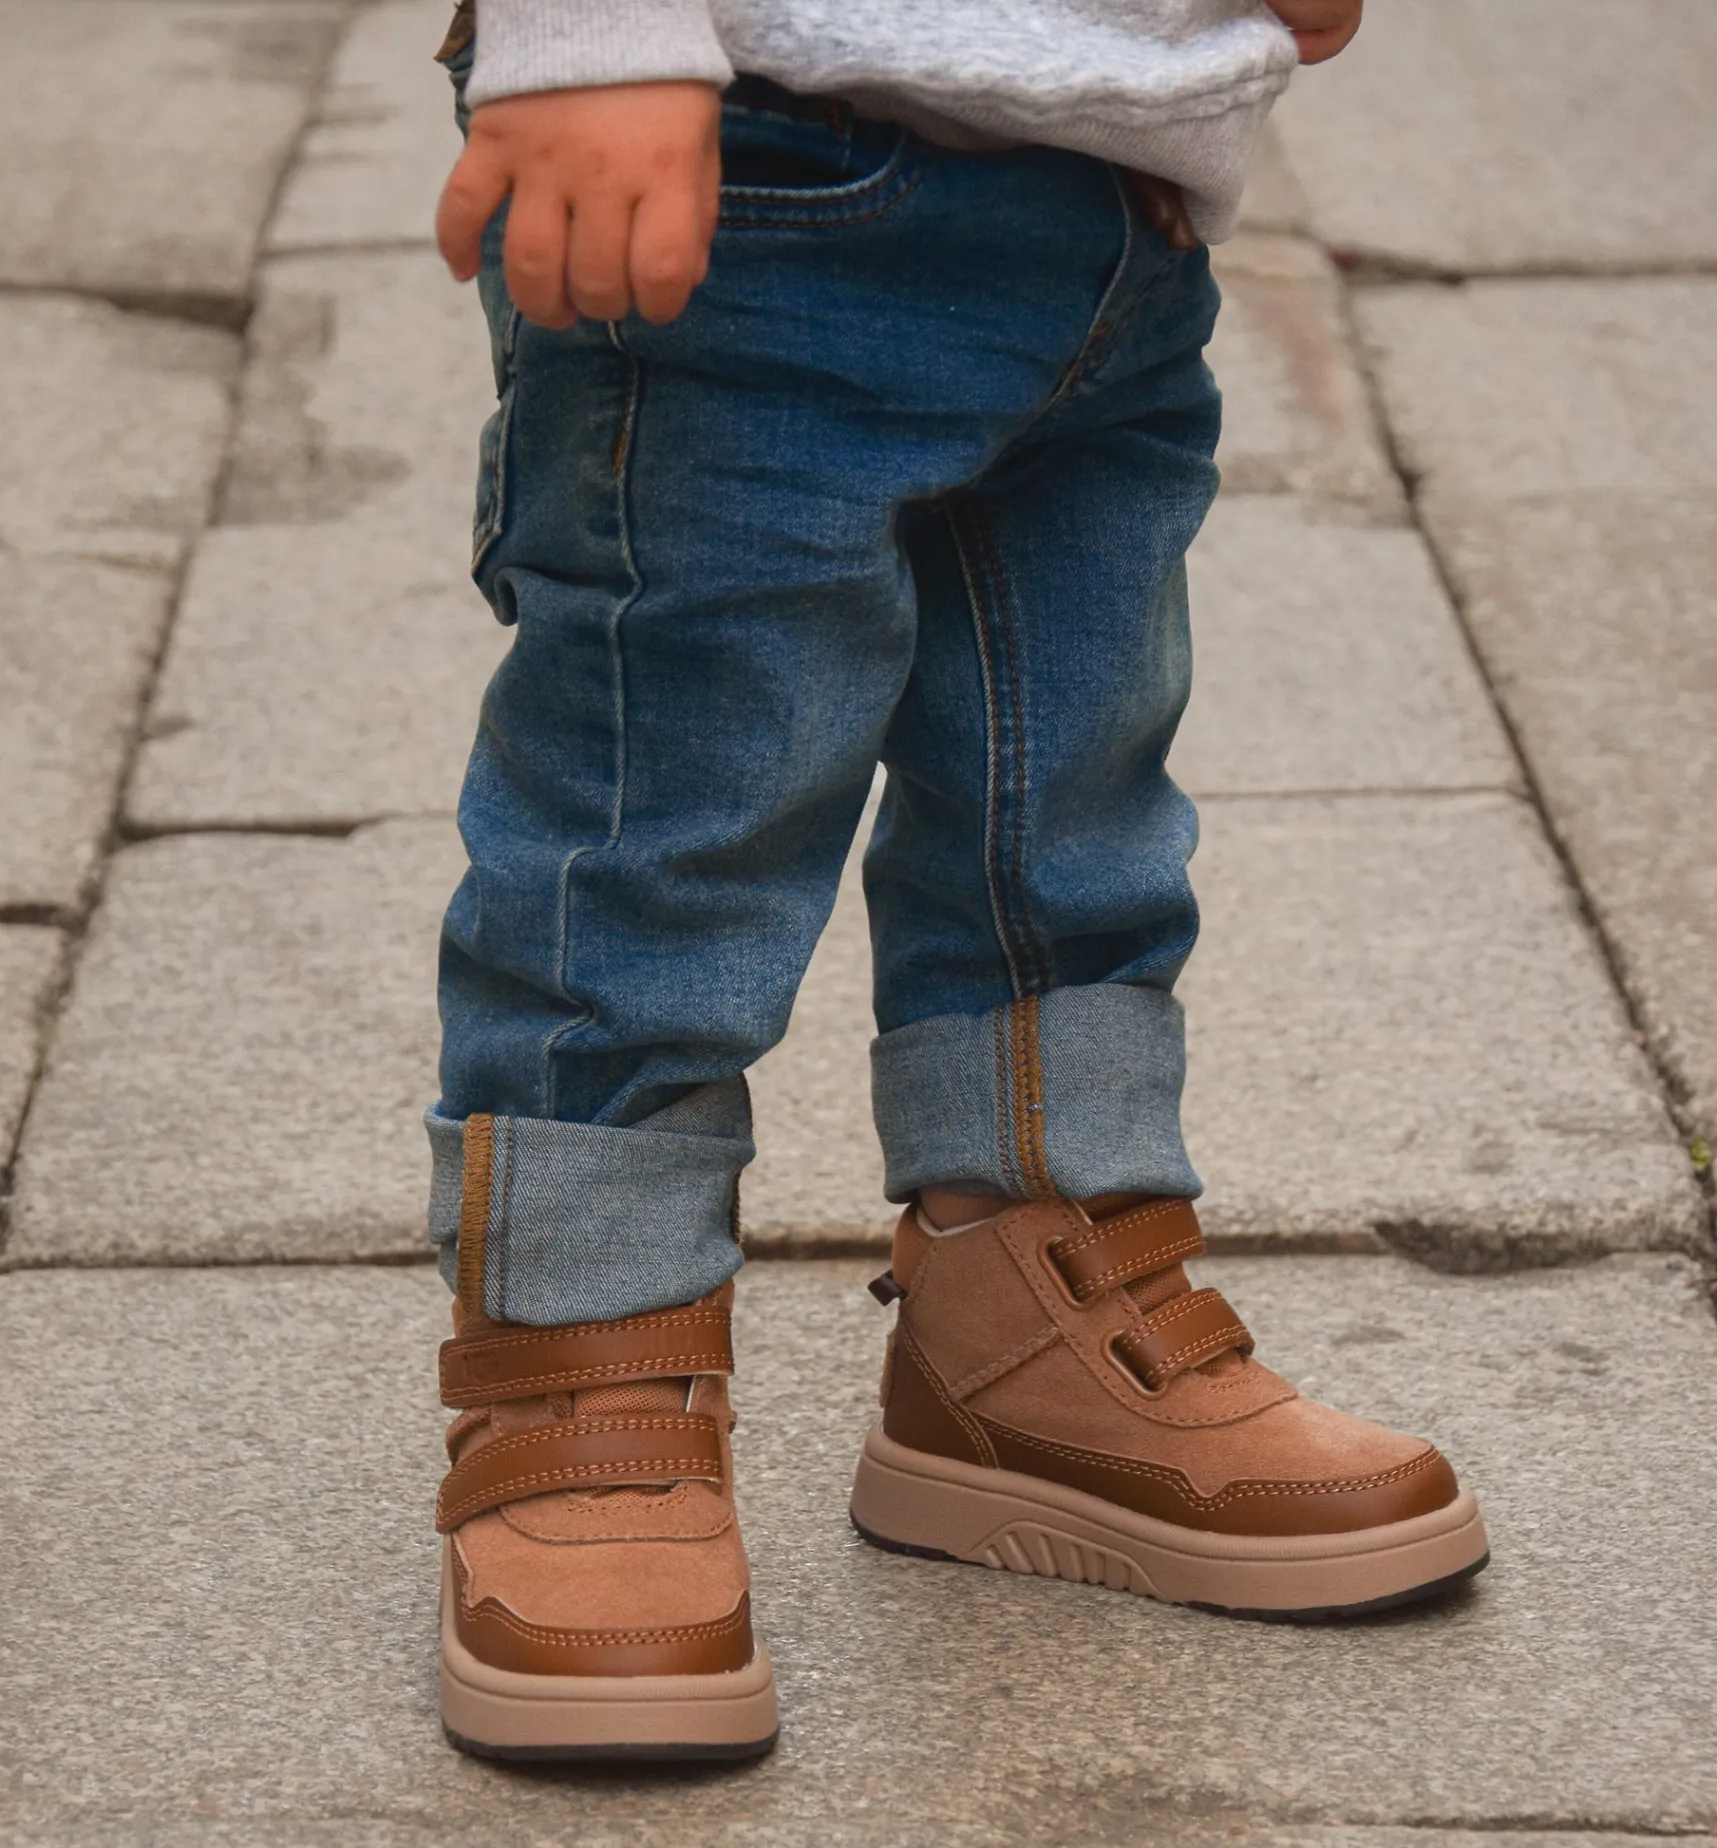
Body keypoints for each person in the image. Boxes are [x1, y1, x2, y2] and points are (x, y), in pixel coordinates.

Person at [424, 0, 1487, 1763]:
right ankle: (585, 1357)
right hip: (754, 162)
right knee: (659, 813)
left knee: (1063, 799)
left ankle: (1032, 1300)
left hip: (1118, 184)